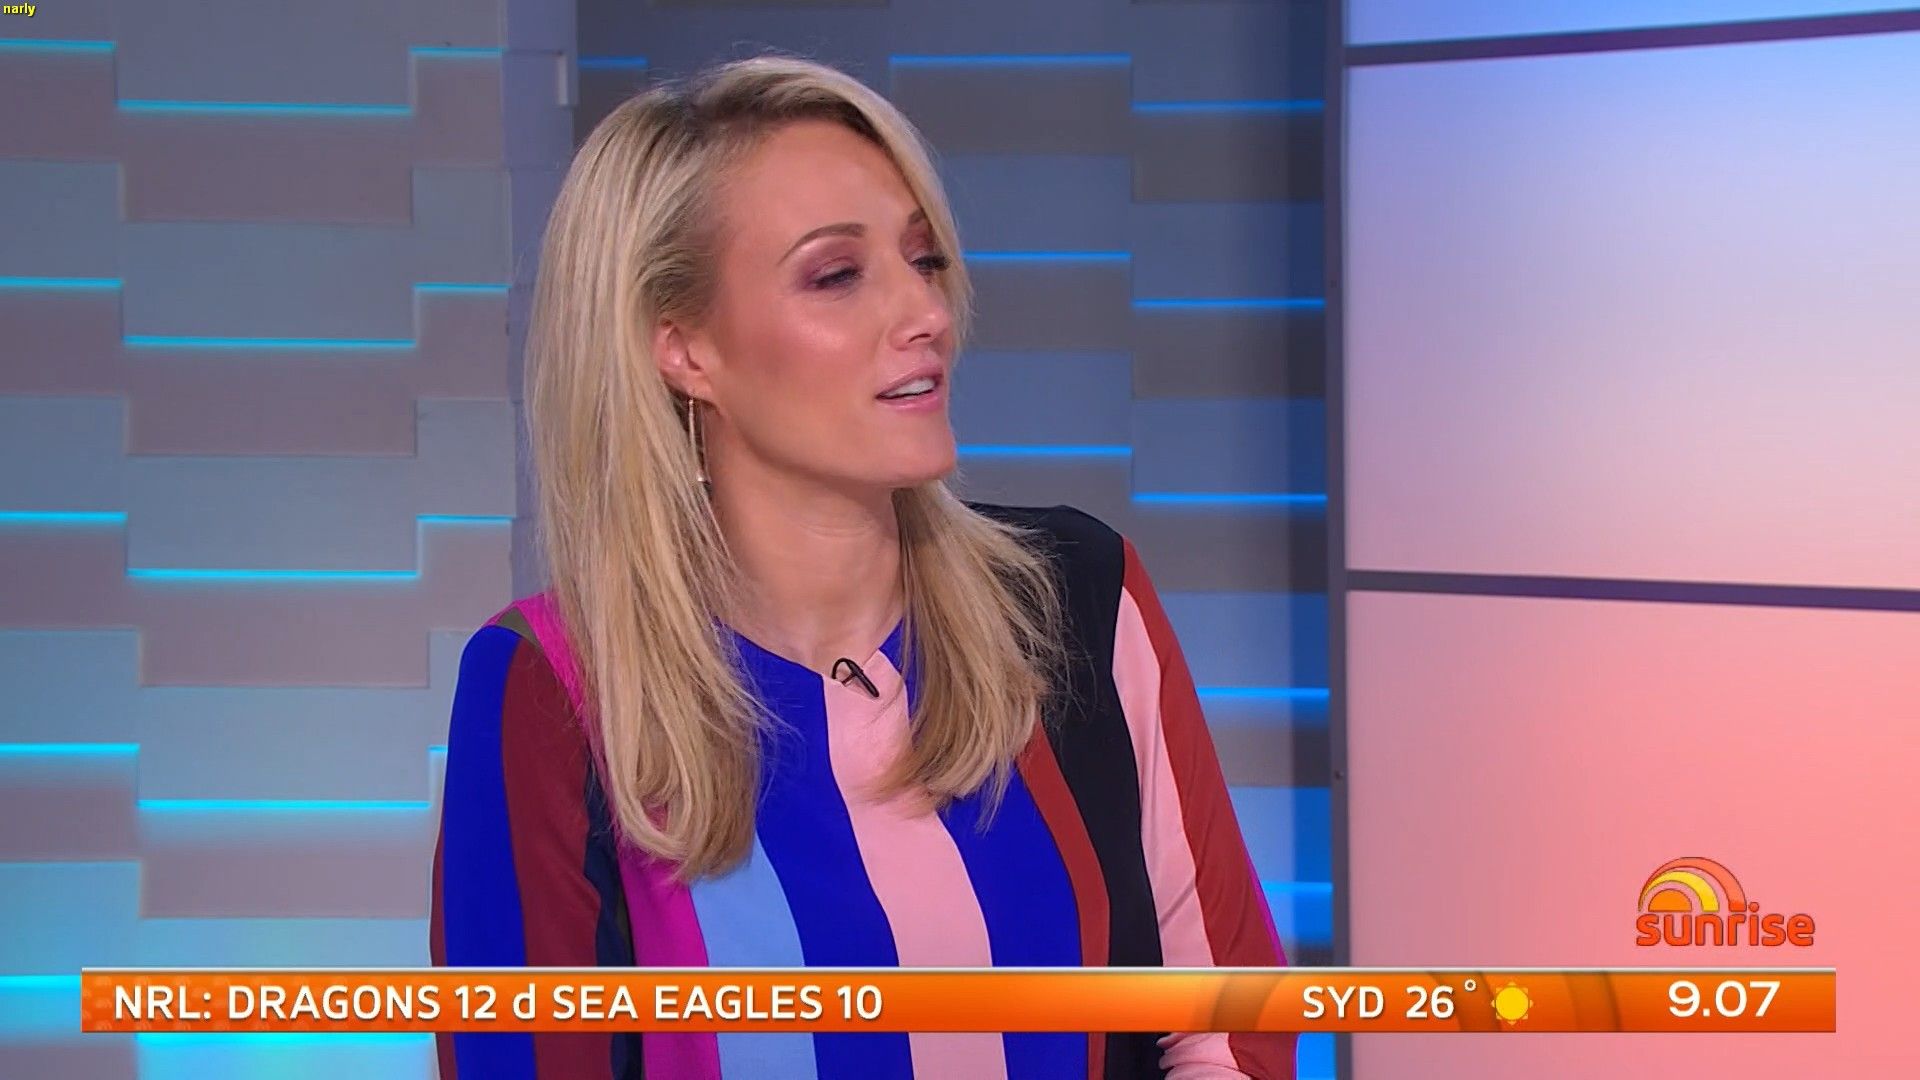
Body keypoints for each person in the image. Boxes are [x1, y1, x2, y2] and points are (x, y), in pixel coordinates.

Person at [429, 53, 1294, 1080]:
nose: (925, 313)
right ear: (684, 348)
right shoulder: (552, 687)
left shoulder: (1077, 596)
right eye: (838, 275)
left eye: (923, 260)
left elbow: (1229, 1026)